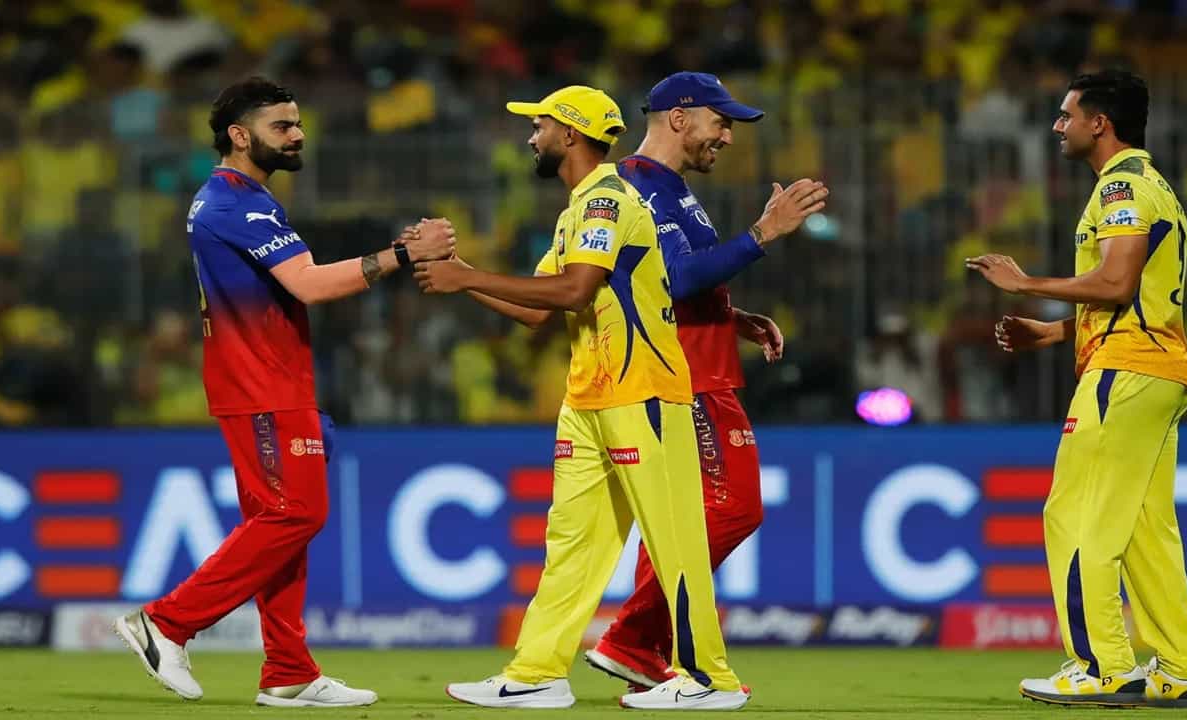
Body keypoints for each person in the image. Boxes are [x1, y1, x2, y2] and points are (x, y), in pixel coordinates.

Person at [112, 76, 455, 707]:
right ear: (240, 136)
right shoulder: (235, 204)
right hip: (261, 386)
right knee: (296, 515)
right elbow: (310, 285)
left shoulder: (242, 198)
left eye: (297, 123)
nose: (297, 135)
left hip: (268, 381)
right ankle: (165, 622)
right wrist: (405, 254)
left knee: (279, 527)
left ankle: (289, 670)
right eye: (282, 126)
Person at [416, 85, 748, 711]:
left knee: (675, 539)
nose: (531, 137)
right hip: (590, 399)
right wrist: (457, 273)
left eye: (539, 126)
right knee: (571, 543)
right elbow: (534, 310)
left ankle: (709, 679)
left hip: (643, 395)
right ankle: (538, 672)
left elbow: (573, 292)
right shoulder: (577, 210)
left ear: (569, 134)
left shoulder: (608, 200)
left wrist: (466, 275)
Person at [966, 69, 1187, 709]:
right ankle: (1180, 669)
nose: (1058, 126)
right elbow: (1136, 298)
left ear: (1099, 123)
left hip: (1125, 373)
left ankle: (1102, 666)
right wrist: (1056, 333)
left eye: (1066, 115)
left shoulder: (1121, 187)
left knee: (1074, 516)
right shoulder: (1154, 185)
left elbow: (1116, 284)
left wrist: (1024, 284)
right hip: (1157, 369)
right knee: (1145, 528)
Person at [585, 71, 827, 689]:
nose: (727, 136)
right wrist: (763, 232)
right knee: (732, 508)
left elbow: (665, 281)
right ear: (679, 117)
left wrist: (730, 316)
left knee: (682, 513)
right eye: (720, 122)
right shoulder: (639, 186)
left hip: (700, 363)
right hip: (685, 376)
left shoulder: (670, 187)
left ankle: (640, 649)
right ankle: (633, 636)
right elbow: (675, 277)